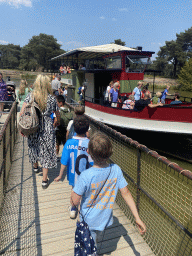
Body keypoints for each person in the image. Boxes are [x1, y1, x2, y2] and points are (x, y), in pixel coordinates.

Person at [71, 132, 146, 248]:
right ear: (110, 152)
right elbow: (126, 193)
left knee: (89, 247)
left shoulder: (85, 175)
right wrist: (137, 217)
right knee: (95, 238)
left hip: (88, 221)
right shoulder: (116, 170)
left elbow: (75, 201)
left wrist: (72, 198)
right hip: (104, 219)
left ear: (88, 152)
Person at [20, 75, 60, 189]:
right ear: (48, 84)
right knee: (46, 151)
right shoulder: (52, 98)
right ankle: (44, 180)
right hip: (47, 126)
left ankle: (35, 166)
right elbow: (57, 115)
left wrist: (22, 128)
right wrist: (56, 122)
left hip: (33, 125)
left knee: (33, 146)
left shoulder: (30, 96)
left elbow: (23, 113)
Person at [54, 115, 93, 218]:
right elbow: (93, 162)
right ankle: (83, 210)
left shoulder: (69, 143)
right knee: (85, 192)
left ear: (74, 129)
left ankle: (73, 208)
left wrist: (60, 175)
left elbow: (64, 160)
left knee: (74, 190)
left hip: (73, 174)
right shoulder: (90, 144)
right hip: (86, 174)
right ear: (87, 130)